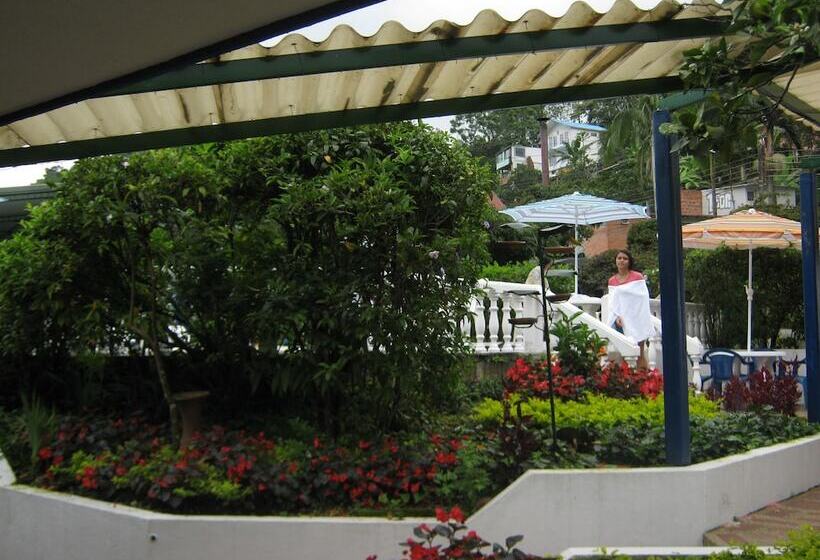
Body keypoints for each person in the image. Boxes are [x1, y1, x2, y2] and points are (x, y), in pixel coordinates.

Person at [606, 250, 654, 370]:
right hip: (621, 321)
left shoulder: (637, 277)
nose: (621, 260)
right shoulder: (612, 280)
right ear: (615, 261)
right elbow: (613, 303)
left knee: (640, 352)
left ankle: (644, 377)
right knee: (625, 352)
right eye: (619, 258)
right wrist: (617, 316)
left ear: (629, 261)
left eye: (625, 258)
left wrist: (637, 316)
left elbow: (642, 299)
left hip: (637, 319)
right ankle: (628, 378)